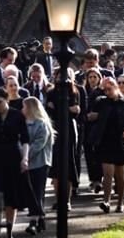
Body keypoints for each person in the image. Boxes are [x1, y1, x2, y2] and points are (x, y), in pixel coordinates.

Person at [0, 87, 31, 236]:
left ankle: (9, 230)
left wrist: (25, 158)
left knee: (11, 195)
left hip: (12, 156)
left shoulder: (17, 115)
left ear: (6, 100)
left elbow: (25, 139)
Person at [87, 76, 124, 213]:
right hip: (105, 141)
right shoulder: (101, 102)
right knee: (107, 173)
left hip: (120, 142)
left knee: (120, 175)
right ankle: (106, 201)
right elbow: (92, 110)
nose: (107, 92)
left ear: (116, 87)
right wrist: (94, 116)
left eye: (109, 89)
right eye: (105, 90)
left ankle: (120, 203)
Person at [46, 67, 81, 211]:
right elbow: (49, 110)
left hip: (69, 130)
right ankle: (58, 199)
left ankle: (67, 200)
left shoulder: (74, 92)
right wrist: (67, 108)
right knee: (56, 166)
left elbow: (76, 111)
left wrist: (61, 108)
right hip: (56, 130)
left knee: (68, 164)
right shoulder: (51, 92)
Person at [23, 97, 54, 235]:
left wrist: (25, 154)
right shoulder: (24, 123)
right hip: (28, 164)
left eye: (24, 107)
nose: (22, 109)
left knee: (37, 192)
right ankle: (40, 219)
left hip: (40, 163)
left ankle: (34, 220)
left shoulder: (42, 124)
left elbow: (38, 144)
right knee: (33, 193)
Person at [83, 68, 105, 192]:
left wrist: (98, 115)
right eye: (90, 77)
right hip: (87, 127)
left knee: (98, 154)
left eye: (94, 77)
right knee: (89, 155)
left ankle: (99, 179)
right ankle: (93, 179)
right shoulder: (83, 91)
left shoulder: (102, 92)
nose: (92, 79)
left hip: (99, 127)